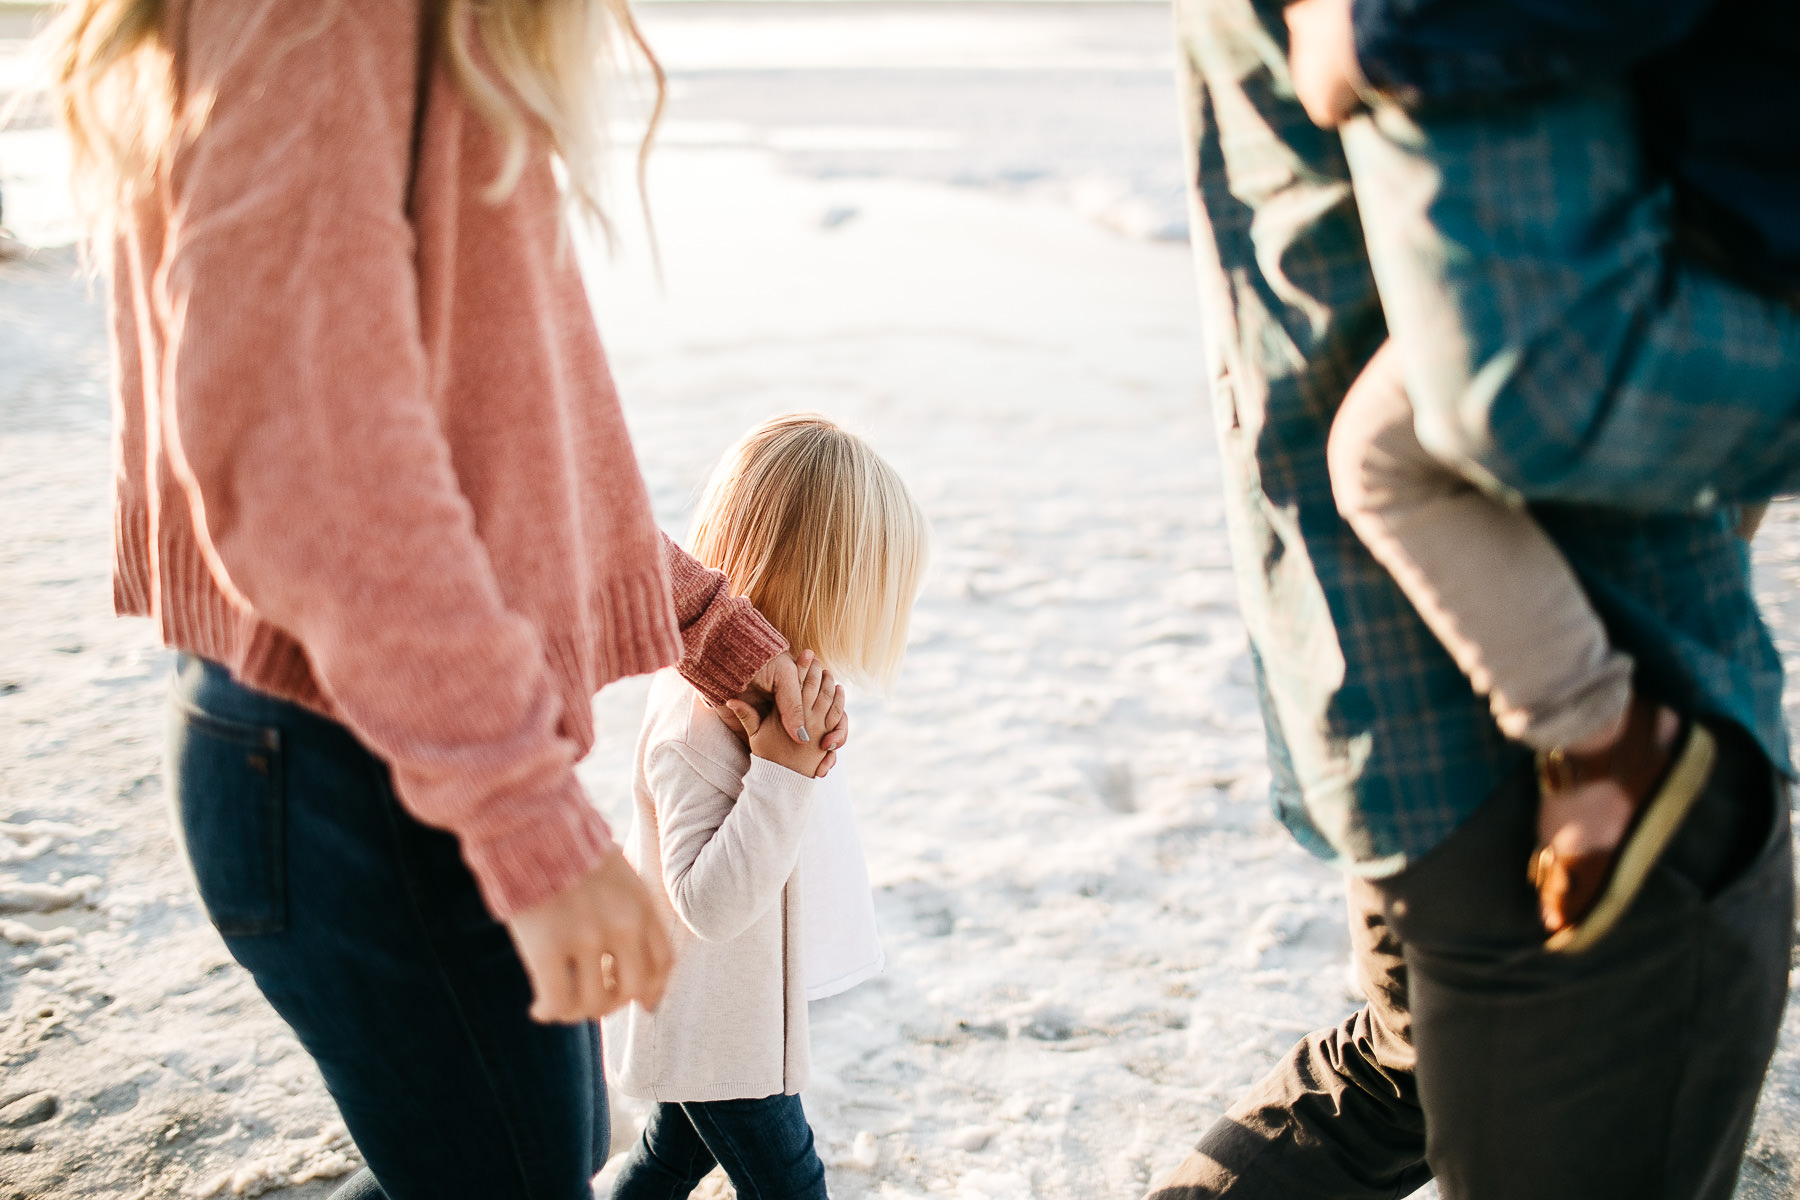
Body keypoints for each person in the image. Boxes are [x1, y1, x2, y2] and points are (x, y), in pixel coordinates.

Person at [48, 2, 846, 1197]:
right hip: (348, 752)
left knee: (522, 1163)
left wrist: (719, 640)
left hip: (374, 730)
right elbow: (307, 448)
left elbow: (517, 440)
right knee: (520, 1172)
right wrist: (527, 819)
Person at [1150, 0, 1795, 1195]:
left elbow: (1535, 374)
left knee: (1401, 1071)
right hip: (1471, 752)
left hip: (1539, 765)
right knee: (1401, 1069)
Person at [1279, 0, 1800, 950]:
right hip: (1707, 210)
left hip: (1734, 241)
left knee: (1391, 459)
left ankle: (1598, 731)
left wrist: (1373, 32)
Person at [605, 415, 928, 1200]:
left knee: (668, 1162)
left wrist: (799, 754)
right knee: (791, 1184)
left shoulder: (773, 698)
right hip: (714, 1028)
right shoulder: (696, 725)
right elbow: (707, 905)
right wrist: (783, 773)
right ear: (833, 587)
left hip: (735, 1022)